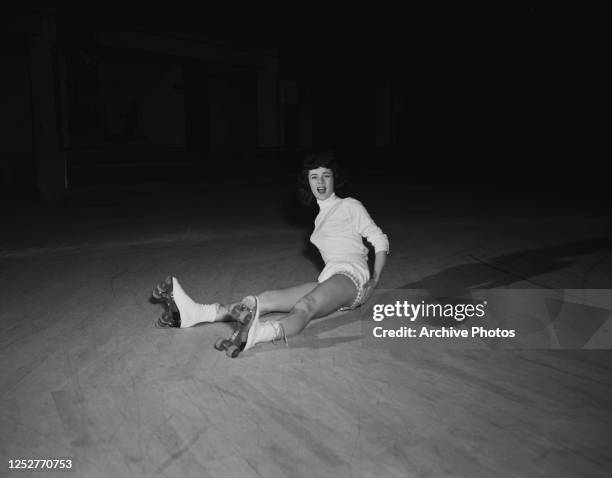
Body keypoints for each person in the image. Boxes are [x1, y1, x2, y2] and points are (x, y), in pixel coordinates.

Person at [153, 150, 389, 355]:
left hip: (353, 280)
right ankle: (197, 313)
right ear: (307, 182)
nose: (320, 181)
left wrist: (375, 279)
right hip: (331, 278)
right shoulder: (320, 216)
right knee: (263, 299)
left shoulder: (349, 205)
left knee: (305, 306)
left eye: (326, 175)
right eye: (314, 176)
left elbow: (379, 239)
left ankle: (260, 334)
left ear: (334, 178)